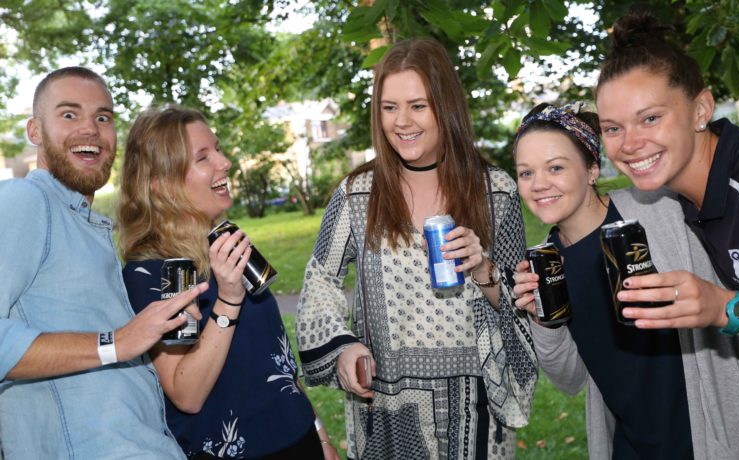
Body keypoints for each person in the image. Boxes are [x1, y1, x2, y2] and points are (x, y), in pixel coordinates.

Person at [295, 37, 537, 459]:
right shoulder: (358, 194)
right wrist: (343, 348)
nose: (401, 121)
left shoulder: (494, 191)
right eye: (389, 108)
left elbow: (525, 305)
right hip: (388, 412)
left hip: (476, 412)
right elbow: (320, 285)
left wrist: (484, 270)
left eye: (418, 105)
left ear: (446, 106)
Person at [0, 67, 205, 459]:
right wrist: (120, 342)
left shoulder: (87, 229)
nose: (90, 129)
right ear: (35, 131)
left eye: (102, 117)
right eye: (68, 114)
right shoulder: (26, 201)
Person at [117, 105, 337, 460]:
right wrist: (229, 300)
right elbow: (187, 393)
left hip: (300, 440)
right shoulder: (172, 271)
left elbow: (277, 362)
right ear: (161, 185)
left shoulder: (226, 240)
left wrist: (321, 436)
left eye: (217, 148)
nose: (225, 162)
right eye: (203, 157)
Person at [594, 10, 739, 458]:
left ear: (700, 109)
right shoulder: (679, 195)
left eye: (650, 119)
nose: (629, 143)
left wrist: (724, 307)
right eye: (613, 128)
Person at [512, 102, 698, 458]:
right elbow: (570, 379)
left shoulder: (655, 212)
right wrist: (541, 319)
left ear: (592, 169)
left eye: (555, 168)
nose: (539, 185)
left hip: (705, 437)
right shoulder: (548, 262)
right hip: (630, 444)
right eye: (526, 173)